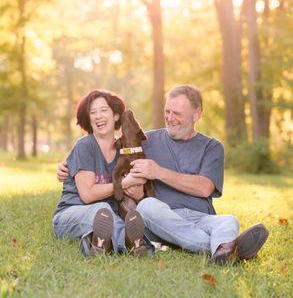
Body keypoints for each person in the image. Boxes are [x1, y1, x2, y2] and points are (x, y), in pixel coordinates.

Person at [57, 85, 269, 264]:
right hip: (160, 215)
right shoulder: (147, 141)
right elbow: (112, 153)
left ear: (197, 114)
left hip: (200, 217)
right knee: (147, 206)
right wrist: (66, 166)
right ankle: (225, 248)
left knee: (229, 220)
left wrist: (158, 172)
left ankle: (224, 250)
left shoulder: (212, 147)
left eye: (177, 113)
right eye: (167, 112)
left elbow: (205, 187)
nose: (170, 118)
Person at [52, 89, 152, 257]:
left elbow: (136, 192)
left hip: (109, 216)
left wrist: (138, 189)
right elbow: (88, 195)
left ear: (116, 116)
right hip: (70, 215)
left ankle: (103, 244)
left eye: (104, 110)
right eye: (93, 112)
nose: (98, 116)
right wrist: (125, 183)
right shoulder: (85, 146)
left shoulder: (124, 151)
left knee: (114, 216)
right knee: (103, 210)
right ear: (88, 119)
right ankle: (131, 244)